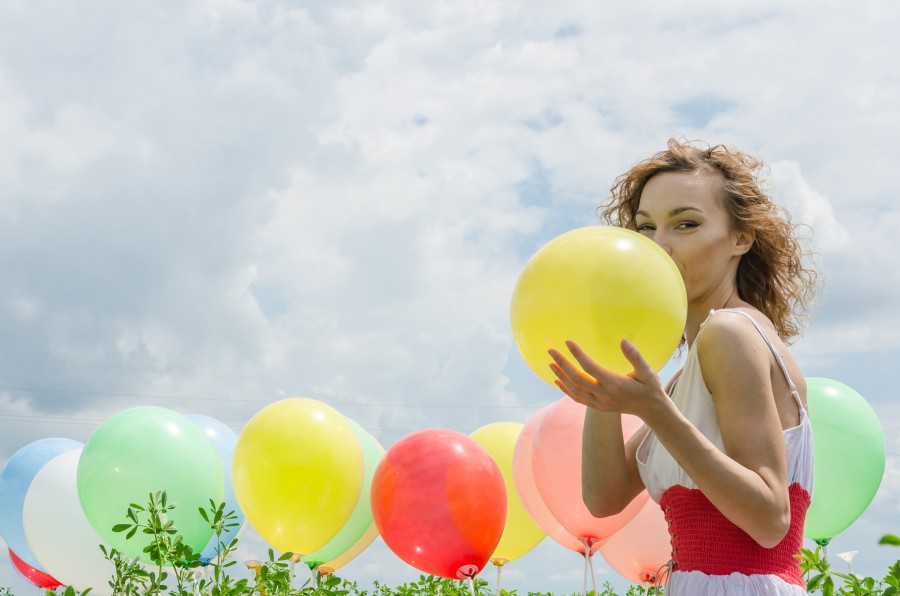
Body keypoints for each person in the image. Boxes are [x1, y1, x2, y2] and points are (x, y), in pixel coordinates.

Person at [548, 139, 818, 595]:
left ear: (741, 238)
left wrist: (656, 411)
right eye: (646, 228)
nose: (659, 246)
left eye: (686, 224)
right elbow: (604, 496)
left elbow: (771, 519)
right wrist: (603, 372)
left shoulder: (729, 333)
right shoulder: (688, 371)